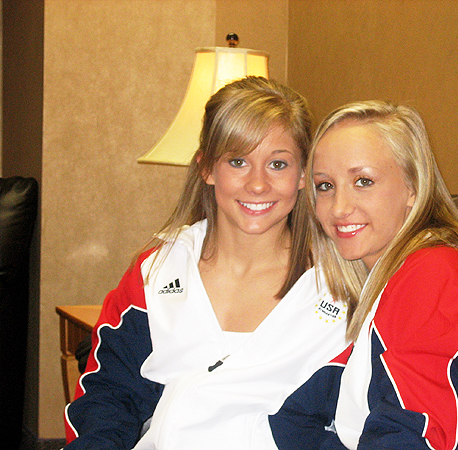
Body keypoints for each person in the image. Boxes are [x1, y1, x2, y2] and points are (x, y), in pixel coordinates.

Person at [63, 76, 348, 450]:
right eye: (238, 161)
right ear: (207, 168)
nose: (257, 184)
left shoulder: (341, 287)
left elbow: (350, 420)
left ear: (302, 175)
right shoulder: (155, 273)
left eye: (278, 164)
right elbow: (107, 398)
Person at [269, 101, 458, 449]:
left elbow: (412, 432)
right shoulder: (388, 285)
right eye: (325, 186)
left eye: (363, 181)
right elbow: (295, 416)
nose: (338, 207)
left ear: (413, 187)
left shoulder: (435, 272)